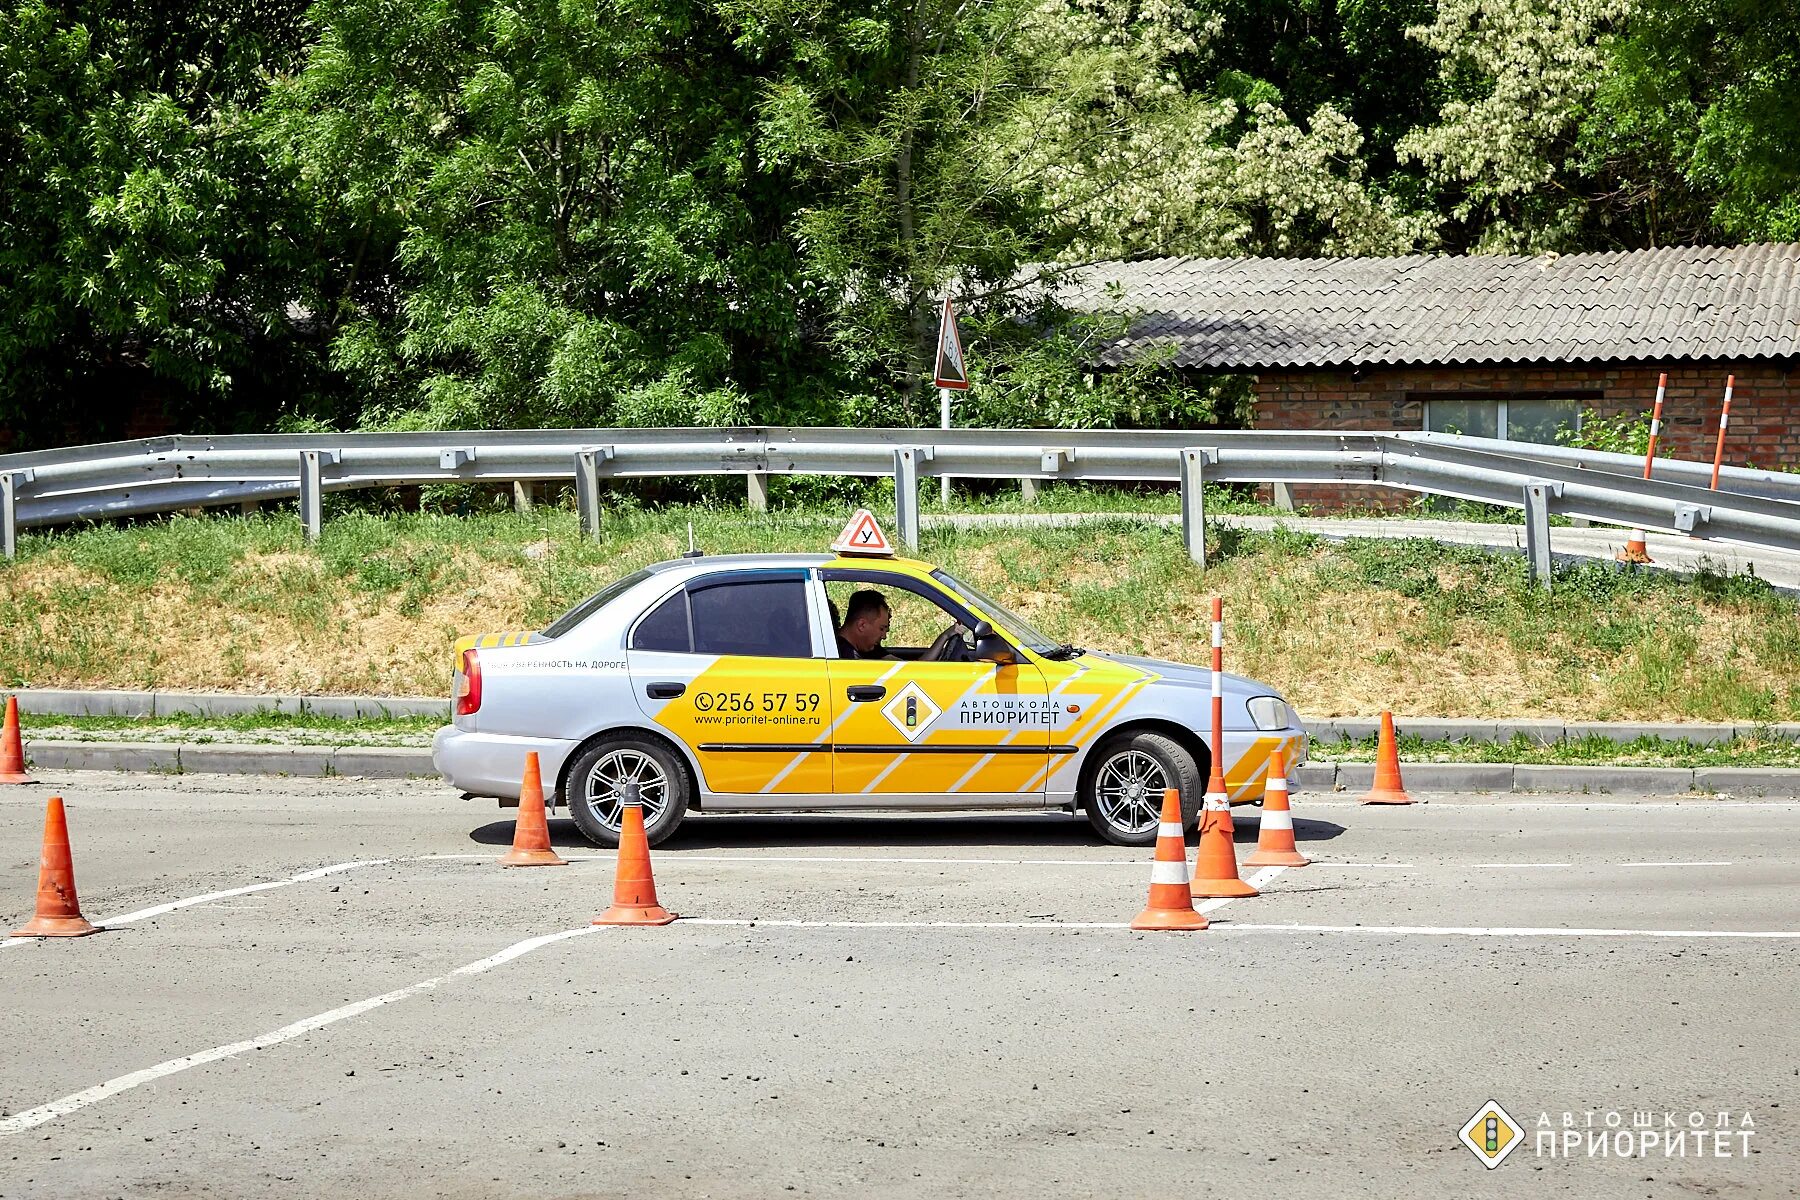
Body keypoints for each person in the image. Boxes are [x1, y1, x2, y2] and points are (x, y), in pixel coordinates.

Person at [835, 588, 969, 662]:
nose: (884, 636)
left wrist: (946, 635)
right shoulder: (843, 656)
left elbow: (914, 668)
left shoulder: (869, 649)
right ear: (862, 625)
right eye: (882, 629)